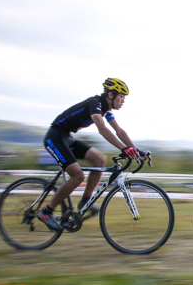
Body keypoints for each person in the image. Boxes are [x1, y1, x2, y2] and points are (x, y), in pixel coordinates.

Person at [38, 78, 148, 231]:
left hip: (67, 138)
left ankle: (85, 201)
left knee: (99, 159)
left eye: (124, 97)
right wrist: (124, 149)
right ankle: (46, 212)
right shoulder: (95, 103)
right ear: (110, 94)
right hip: (55, 137)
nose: (123, 100)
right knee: (77, 176)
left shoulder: (106, 110)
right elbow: (102, 129)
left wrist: (135, 150)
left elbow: (119, 131)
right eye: (121, 96)